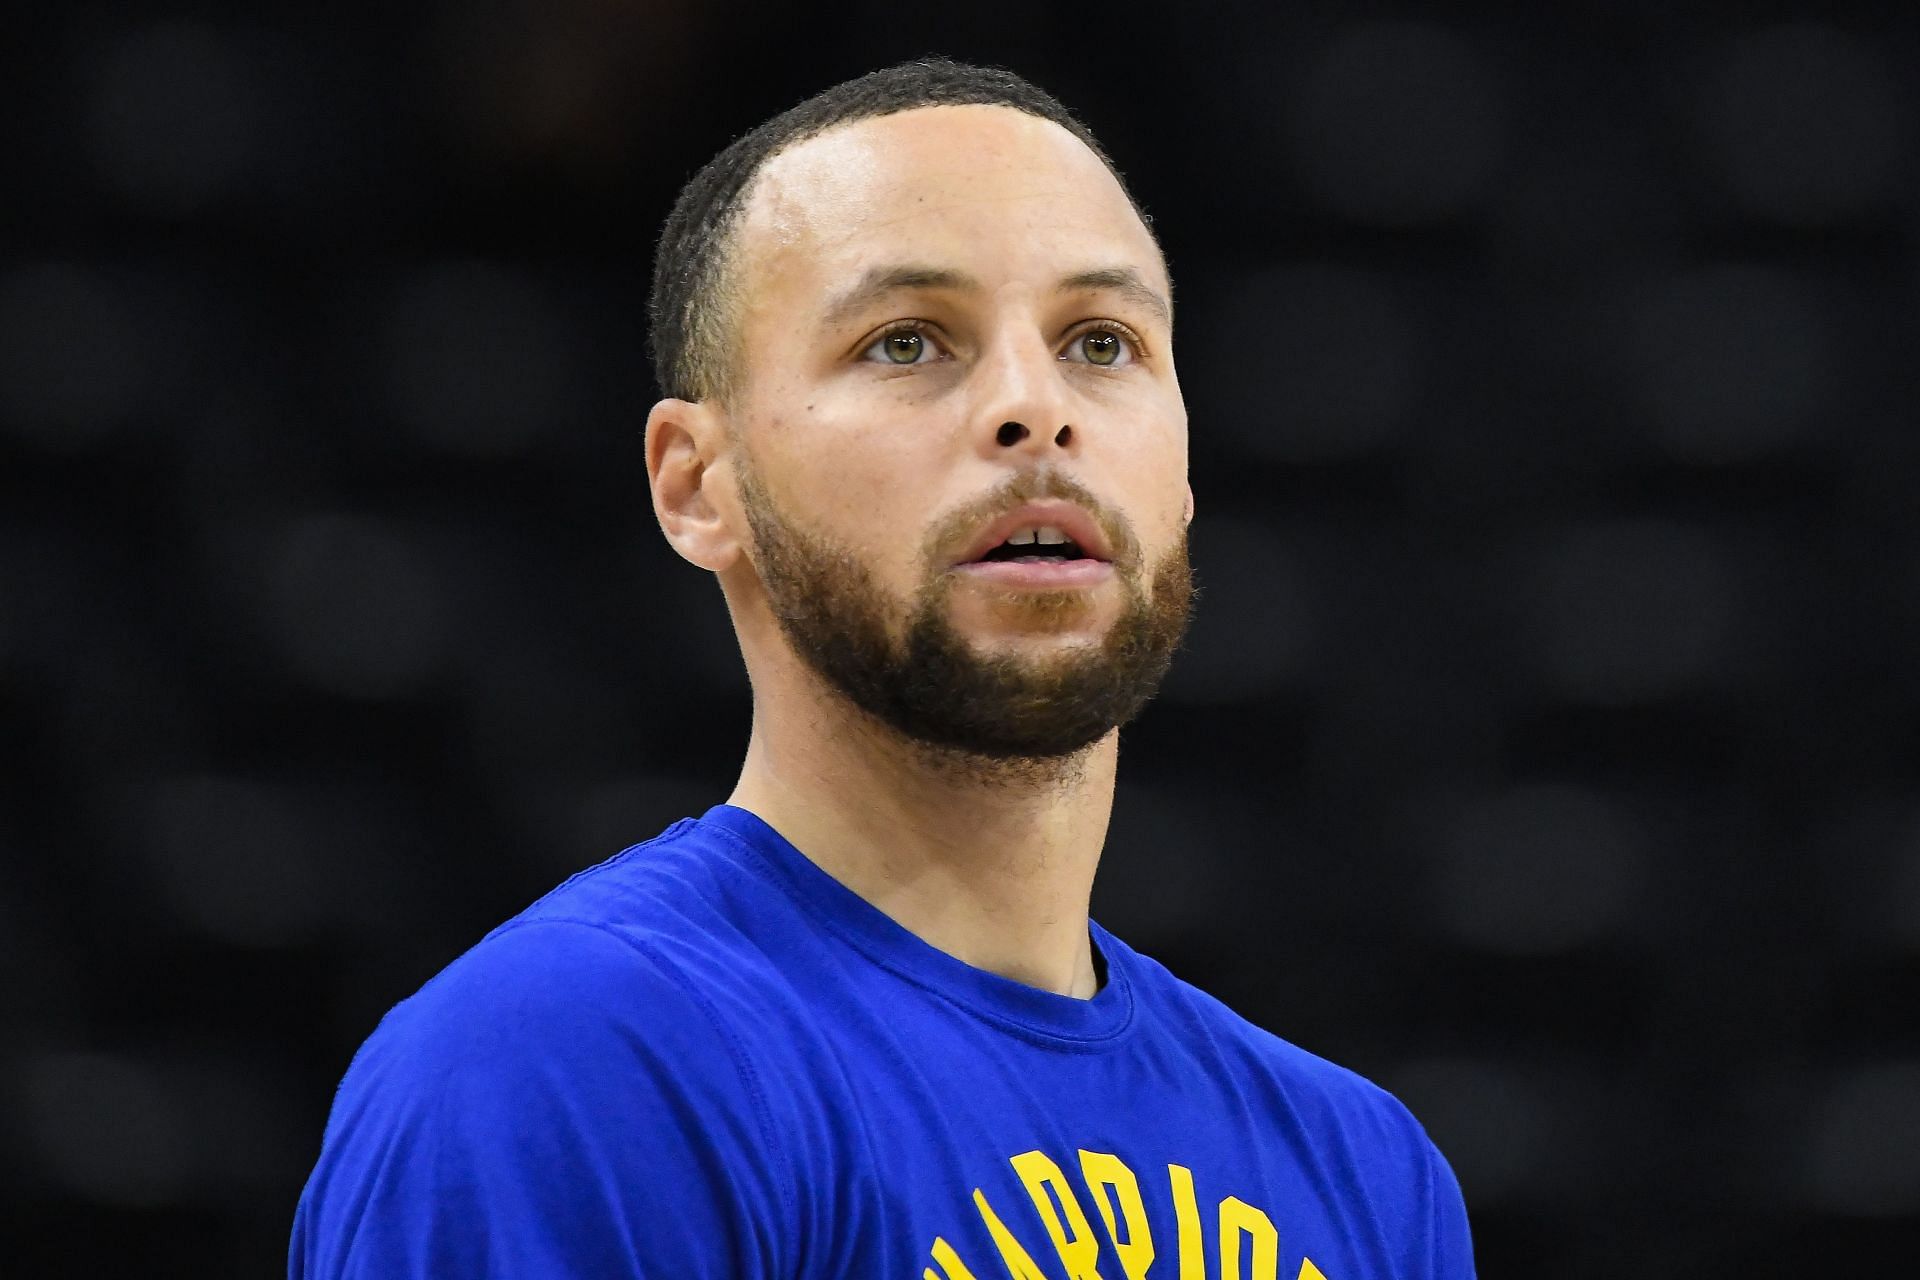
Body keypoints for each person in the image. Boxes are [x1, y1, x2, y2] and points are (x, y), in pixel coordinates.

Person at [290, 58, 1475, 1279]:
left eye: (1102, 341)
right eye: (907, 340)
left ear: (1181, 474)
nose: (1036, 405)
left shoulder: (1367, 1173)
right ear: (700, 484)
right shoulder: (571, 1062)